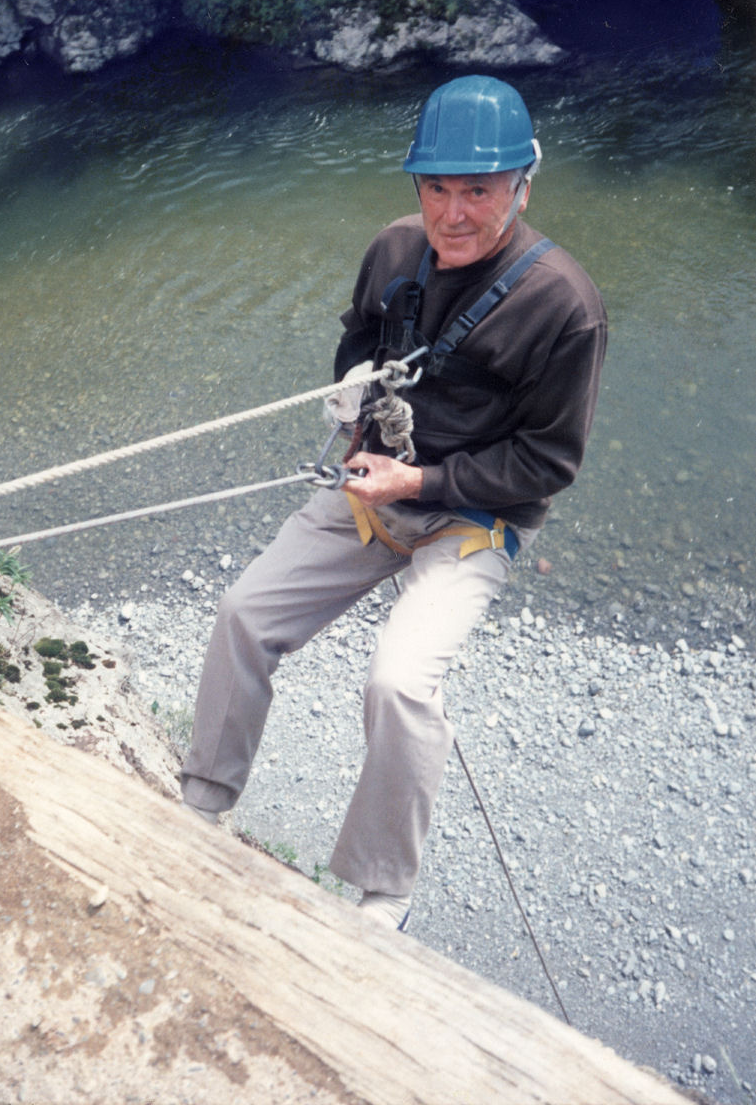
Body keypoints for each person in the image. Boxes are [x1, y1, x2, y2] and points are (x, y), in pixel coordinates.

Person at [180, 75, 607, 930]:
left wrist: (419, 482)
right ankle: (200, 804)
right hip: (376, 485)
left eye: (478, 191)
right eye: (437, 188)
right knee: (242, 613)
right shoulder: (392, 250)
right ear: (417, 187)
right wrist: (351, 403)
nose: (454, 212)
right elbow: (360, 336)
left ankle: (382, 894)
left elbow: (547, 462)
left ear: (522, 186)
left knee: (401, 681)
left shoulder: (563, 307)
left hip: (470, 517)